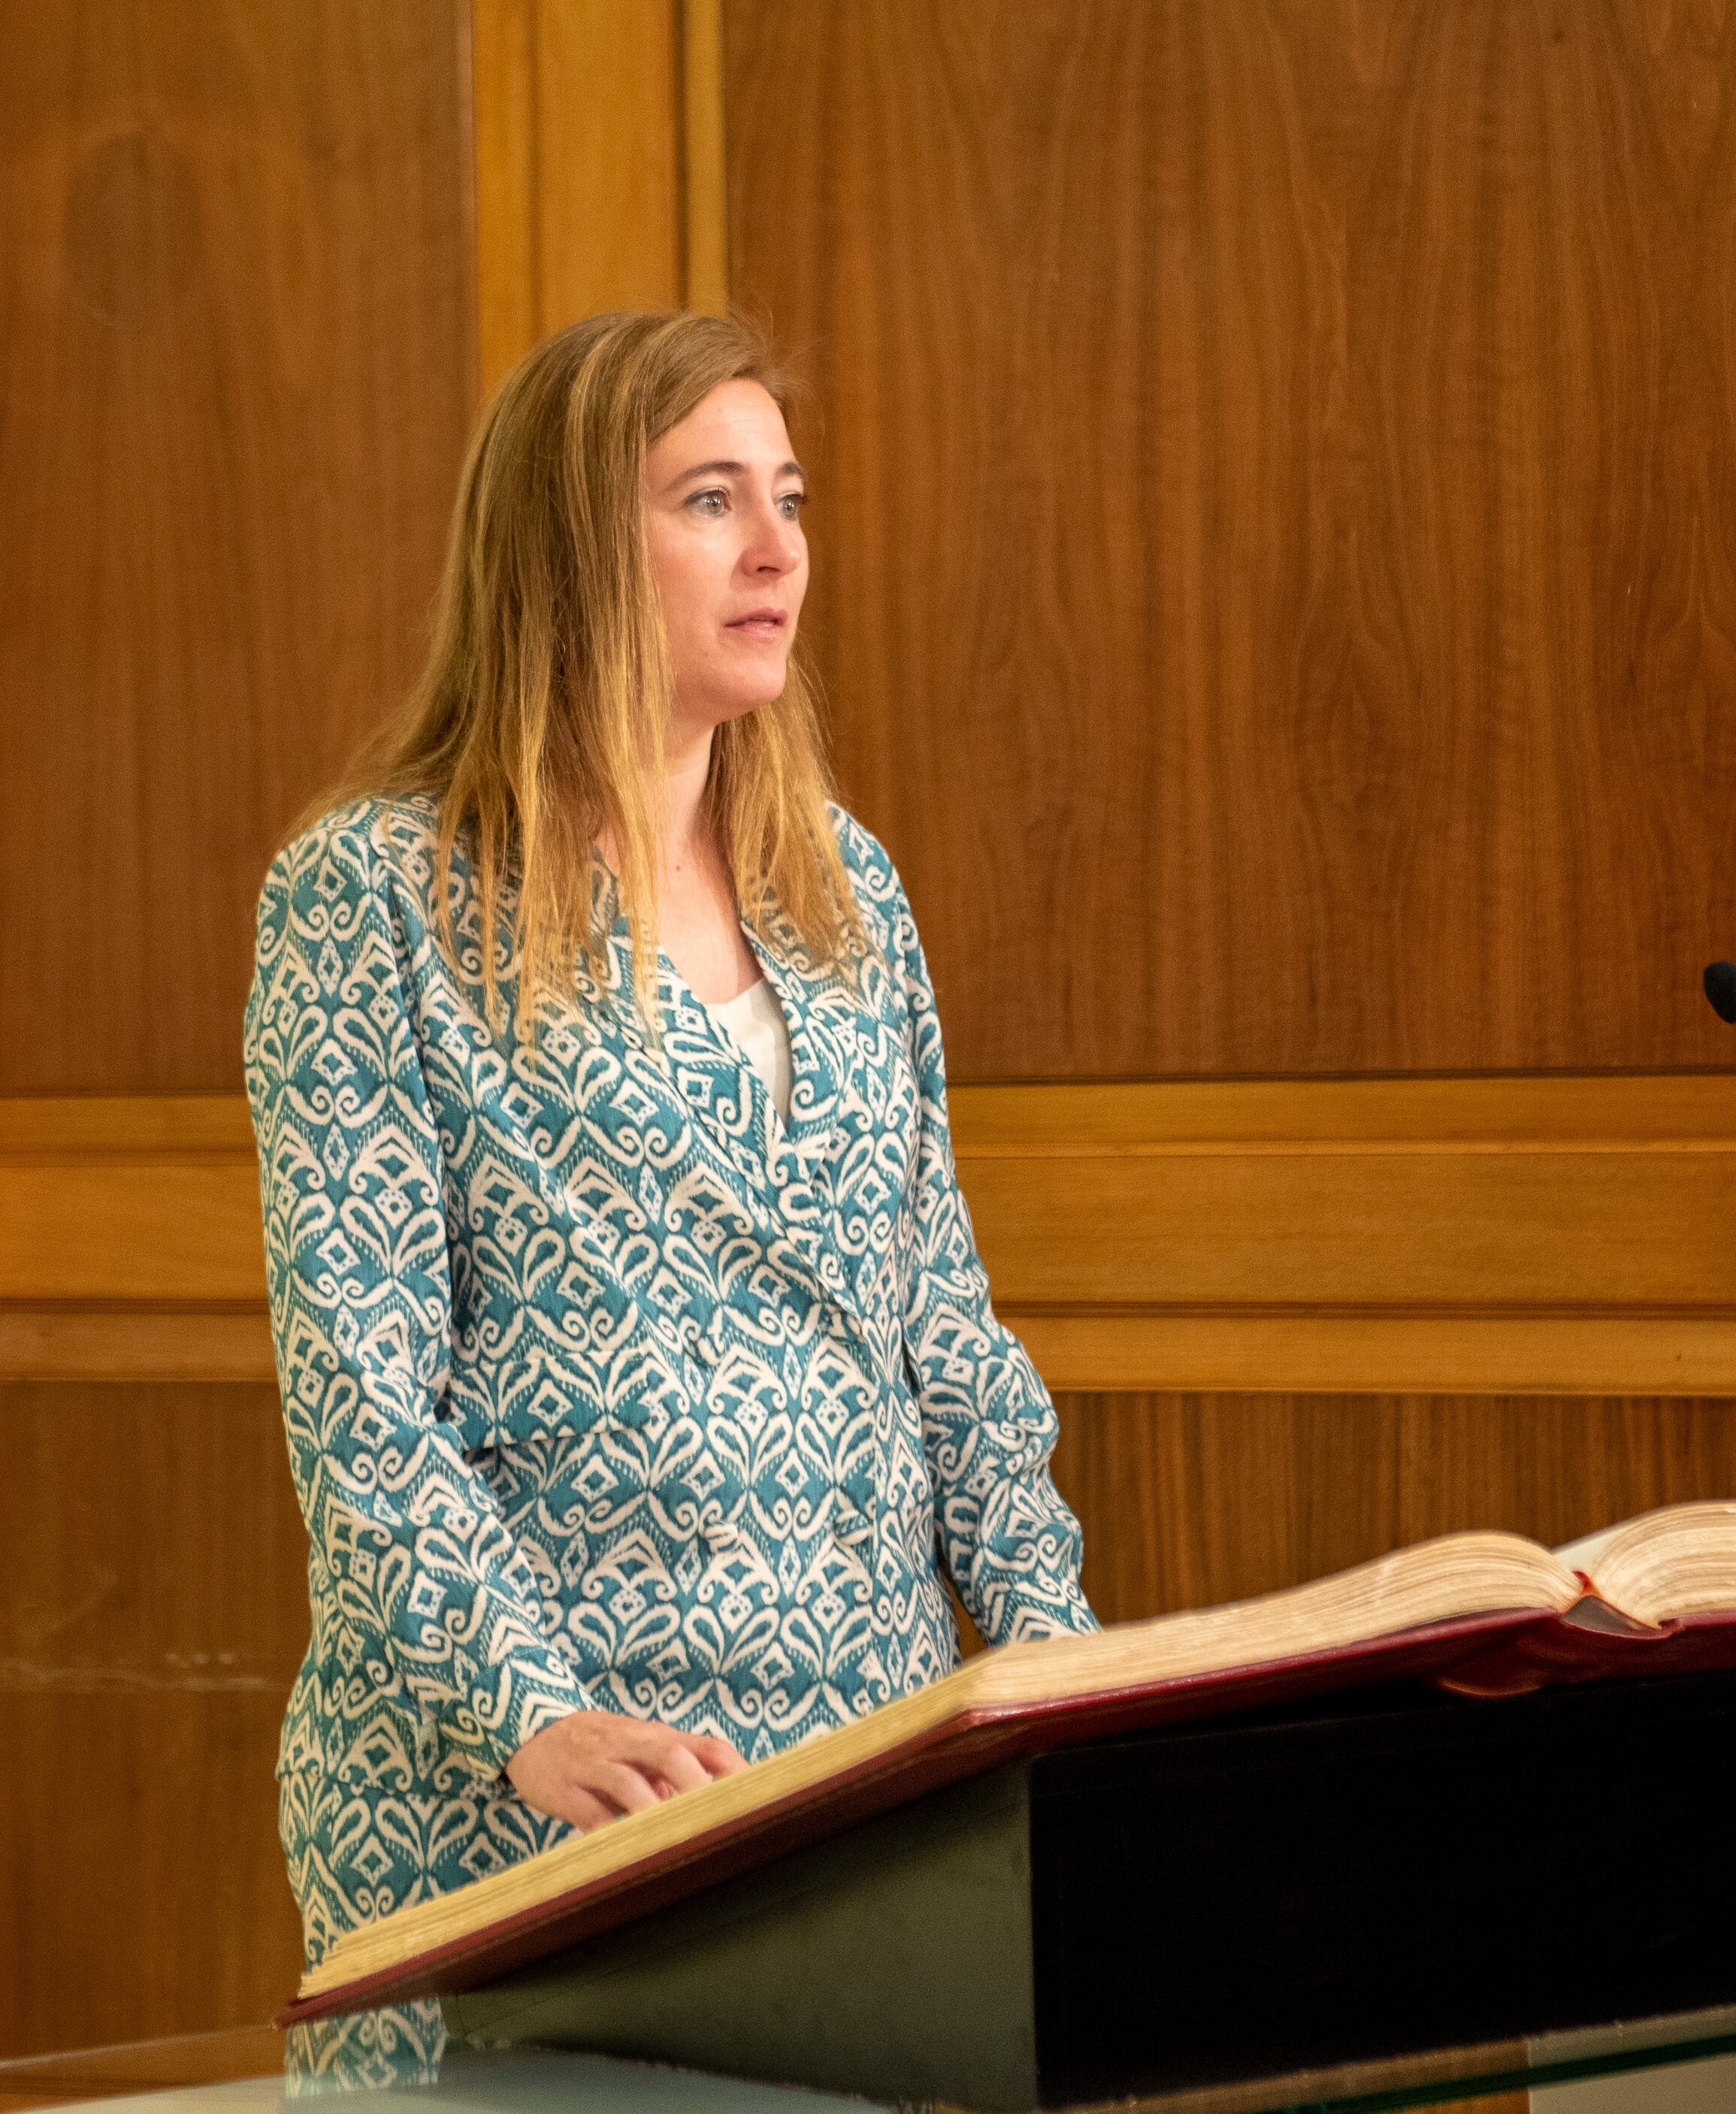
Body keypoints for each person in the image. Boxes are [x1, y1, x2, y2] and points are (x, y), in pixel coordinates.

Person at [243, 310, 1096, 2087]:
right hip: (537, 1810)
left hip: (857, 1800)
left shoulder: (845, 884)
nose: (779, 548)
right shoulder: (375, 896)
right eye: (710, 500)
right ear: (567, 548)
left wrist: (1061, 1670)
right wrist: (530, 1709)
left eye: (786, 497)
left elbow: (941, 1332)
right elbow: (364, 1397)